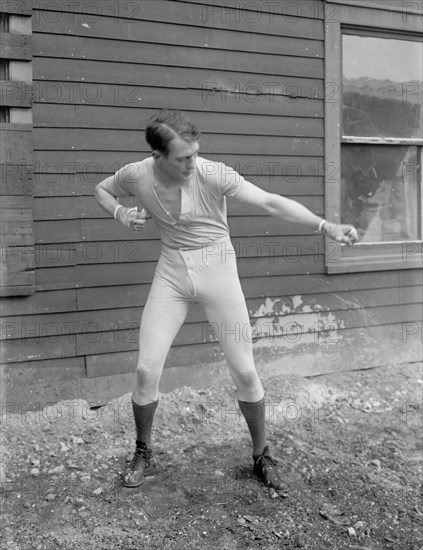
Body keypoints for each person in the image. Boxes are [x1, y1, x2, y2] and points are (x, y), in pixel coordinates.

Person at [94, 109, 358, 491]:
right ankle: (143, 452)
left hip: (217, 268)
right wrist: (119, 212)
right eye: (183, 157)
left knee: (246, 372)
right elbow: (101, 189)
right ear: (158, 157)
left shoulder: (212, 174)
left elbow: (269, 202)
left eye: (195, 153)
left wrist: (326, 226)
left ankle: (261, 455)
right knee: (145, 371)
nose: (191, 162)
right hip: (172, 272)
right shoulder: (136, 174)